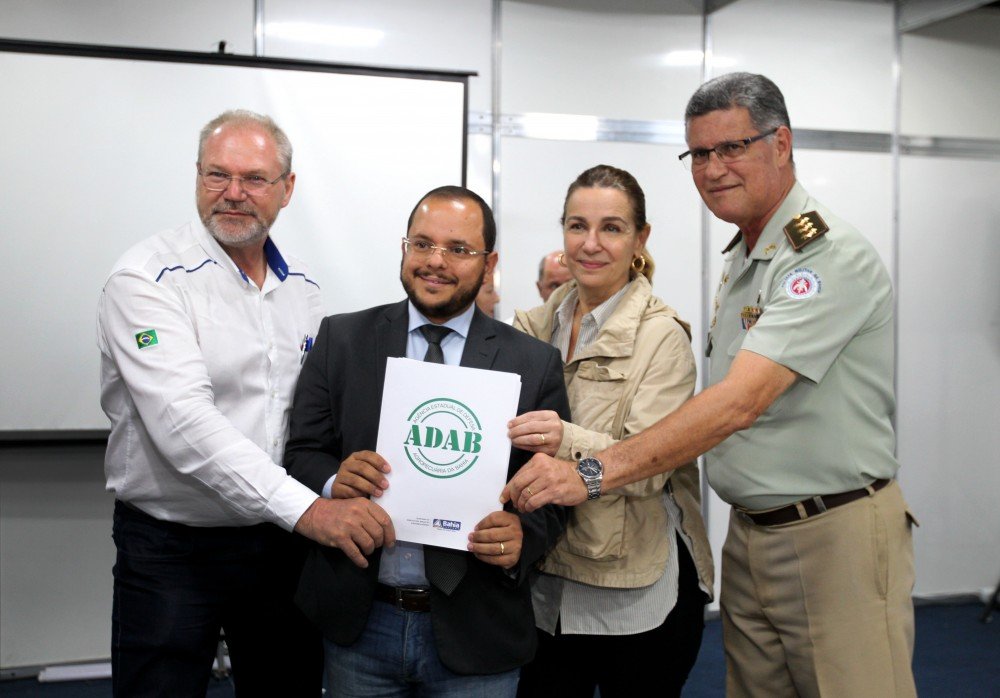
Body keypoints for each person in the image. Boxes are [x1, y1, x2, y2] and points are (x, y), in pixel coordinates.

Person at [503, 73, 917, 698]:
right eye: (699, 153)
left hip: (834, 535)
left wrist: (587, 470)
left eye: (733, 147)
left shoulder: (824, 257)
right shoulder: (746, 259)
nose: (714, 168)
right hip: (751, 533)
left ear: (782, 144)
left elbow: (739, 402)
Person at [98, 109, 392, 697]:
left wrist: (335, 481)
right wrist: (311, 510)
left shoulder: (303, 290)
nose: (233, 194)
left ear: (287, 188)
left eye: (254, 178)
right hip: (171, 548)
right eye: (216, 175)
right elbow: (183, 424)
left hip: (278, 545)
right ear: (197, 178)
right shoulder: (145, 280)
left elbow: (307, 421)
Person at [283, 185, 571, 696]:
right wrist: (333, 481)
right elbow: (300, 452)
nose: (435, 262)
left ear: (489, 262)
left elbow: (552, 497)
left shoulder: (532, 363)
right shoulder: (343, 340)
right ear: (404, 248)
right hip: (361, 621)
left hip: (478, 627)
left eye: (458, 250)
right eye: (422, 244)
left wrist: (523, 535)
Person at [507, 165, 714, 697]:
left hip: (632, 591)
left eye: (612, 228)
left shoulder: (662, 338)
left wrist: (563, 439)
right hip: (546, 582)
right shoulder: (532, 329)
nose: (591, 244)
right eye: (577, 226)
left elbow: (648, 469)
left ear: (640, 239)